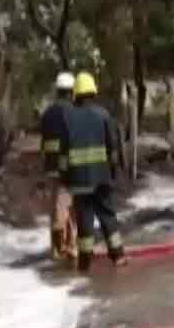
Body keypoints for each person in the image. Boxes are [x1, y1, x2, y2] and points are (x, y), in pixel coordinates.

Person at [61, 71, 125, 271]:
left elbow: (64, 152)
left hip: (79, 180)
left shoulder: (68, 117)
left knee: (85, 220)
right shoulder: (103, 115)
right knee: (107, 215)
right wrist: (113, 172)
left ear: (76, 94)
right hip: (101, 178)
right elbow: (112, 148)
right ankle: (117, 256)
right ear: (93, 92)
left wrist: (65, 176)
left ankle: (85, 260)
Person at [40, 72, 76, 261]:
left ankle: (55, 246)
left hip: (50, 164)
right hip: (67, 165)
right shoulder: (72, 112)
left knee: (55, 206)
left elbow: (43, 140)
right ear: (71, 92)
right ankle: (67, 245)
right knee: (67, 205)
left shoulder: (47, 113)